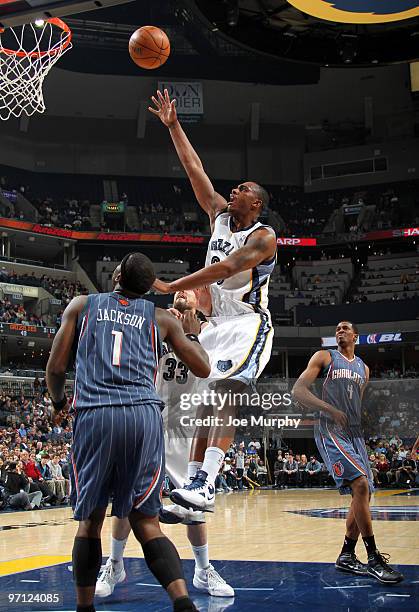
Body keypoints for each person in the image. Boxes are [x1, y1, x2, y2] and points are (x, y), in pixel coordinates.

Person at [46, 252, 211, 612]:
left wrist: (59, 403)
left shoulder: (82, 304)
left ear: (117, 274)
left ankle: (85, 607)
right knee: (147, 522)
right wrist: (192, 334)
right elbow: (202, 367)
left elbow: (56, 369)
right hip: (143, 416)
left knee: (91, 521)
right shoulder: (162, 318)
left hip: (96, 414)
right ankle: (182, 602)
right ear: (149, 286)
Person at [148, 89, 276, 512]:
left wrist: (172, 285)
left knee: (224, 395)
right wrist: (173, 126)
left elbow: (224, 270)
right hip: (217, 325)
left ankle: (207, 483)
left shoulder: (263, 237)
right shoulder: (220, 217)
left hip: (249, 324)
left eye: (240, 189)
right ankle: (194, 488)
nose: (232, 191)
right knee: (205, 405)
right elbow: (193, 168)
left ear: (255, 203)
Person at [95, 289, 233, 599]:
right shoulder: (156, 323)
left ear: (202, 301)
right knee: (127, 497)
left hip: (187, 425)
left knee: (194, 504)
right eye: (180, 288)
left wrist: (193, 336)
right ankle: (115, 564)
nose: (185, 291)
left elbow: (213, 373)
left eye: (194, 289)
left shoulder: (213, 331)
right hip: (151, 416)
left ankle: (202, 569)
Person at [292, 321, 403, 584]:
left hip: (354, 433)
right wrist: (330, 409)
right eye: (337, 329)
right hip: (330, 429)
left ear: (355, 336)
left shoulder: (363, 369)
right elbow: (298, 390)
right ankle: (374, 557)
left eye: (345, 328)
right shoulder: (325, 357)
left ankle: (346, 555)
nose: (340, 331)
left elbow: (355, 403)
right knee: (361, 485)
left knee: (364, 494)